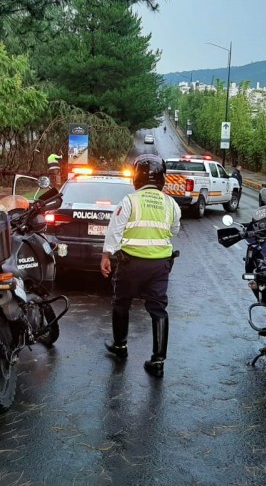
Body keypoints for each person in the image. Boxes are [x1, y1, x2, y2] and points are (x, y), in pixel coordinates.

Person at [100, 154, 181, 378]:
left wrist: (106, 256)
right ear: (162, 178)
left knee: (121, 302)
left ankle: (120, 346)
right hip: (160, 265)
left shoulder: (129, 201)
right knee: (158, 309)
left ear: (137, 177)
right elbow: (174, 230)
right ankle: (158, 360)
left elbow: (115, 231)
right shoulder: (171, 203)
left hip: (131, 263)